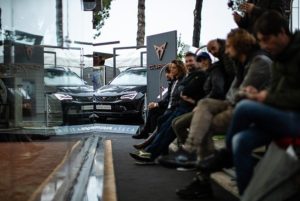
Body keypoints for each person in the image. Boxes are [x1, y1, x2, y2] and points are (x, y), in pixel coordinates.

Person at [174, 28, 273, 199]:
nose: (226, 51)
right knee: (204, 106)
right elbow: (235, 92)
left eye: (228, 47)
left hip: (252, 111)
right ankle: (192, 155)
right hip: (236, 105)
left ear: (238, 46)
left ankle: (202, 178)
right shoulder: (242, 64)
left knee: (202, 124)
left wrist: (235, 96)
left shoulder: (259, 62)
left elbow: (239, 94)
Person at [217, 11, 300, 195]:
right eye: (260, 41)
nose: (263, 45)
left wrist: (265, 98)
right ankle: (247, 194)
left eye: (266, 39)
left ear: (282, 32)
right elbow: (278, 92)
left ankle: (225, 155)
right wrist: (261, 94)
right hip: (283, 114)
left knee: (245, 106)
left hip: (295, 118)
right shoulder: (279, 57)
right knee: (241, 140)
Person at [129, 52, 207, 163]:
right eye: (187, 61)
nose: (188, 63)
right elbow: (182, 91)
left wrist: (187, 94)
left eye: (191, 61)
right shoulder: (189, 76)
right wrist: (183, 91)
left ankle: (151, 153)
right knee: (164, 125)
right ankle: (150, 151)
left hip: (187, 109)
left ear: (197, 62)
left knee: (168, 127)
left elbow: (185, 91)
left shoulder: (199, 75)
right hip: (180, 107)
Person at [132, 64, 174, 139]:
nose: (166, 75)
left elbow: (169, 99)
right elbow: (168, 98)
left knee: (155, 113)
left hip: (173, 107)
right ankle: (149, 134)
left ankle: (151, 135)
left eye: (168, 72)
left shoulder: (174, 82)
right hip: (170, 106)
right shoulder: (172, 82)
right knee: (153, 111)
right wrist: (156, 104)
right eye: (166, 72)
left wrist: (156, 104)